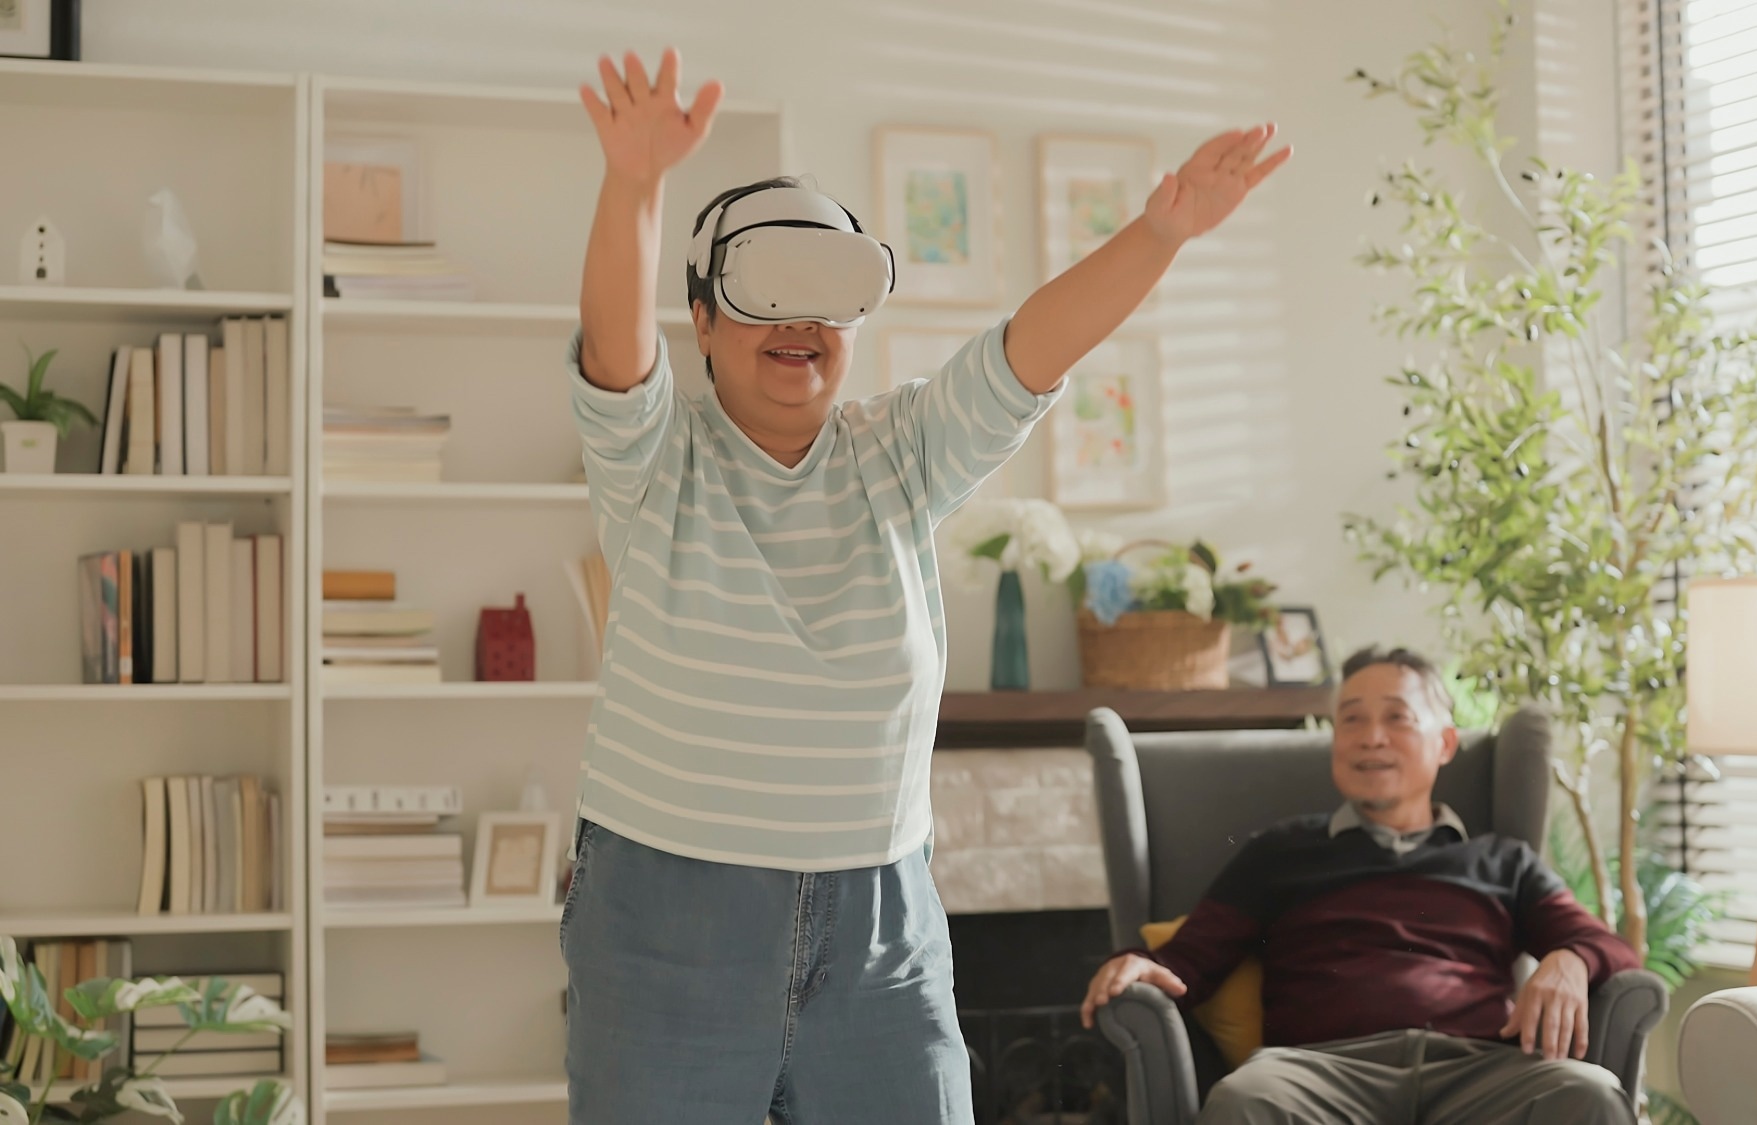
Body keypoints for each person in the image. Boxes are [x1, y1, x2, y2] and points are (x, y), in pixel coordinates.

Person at [557, 47, 1292, 1125]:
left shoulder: (898, 452)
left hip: (879, 913)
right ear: (704, 321)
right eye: (767, 292)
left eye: (830, 295)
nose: (802, 324)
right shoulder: (658, 460)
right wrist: (635, 183)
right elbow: (616, 354)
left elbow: (1026, 354)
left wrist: (1161, 233)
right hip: (670, 910)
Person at [1080, 646, 1642, 1125]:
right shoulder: (1281, 853)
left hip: (1477, 1069)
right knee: (1243, 1101)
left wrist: (1569, 959)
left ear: (1444, 744)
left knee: (1589, 1096)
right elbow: (1187, 961)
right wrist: (1134, 962)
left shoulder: (1501, 862)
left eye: (1397, 718)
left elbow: (1612, 950)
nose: (1371, 737)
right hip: (1320, 1071)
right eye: (1351, 719)